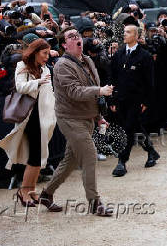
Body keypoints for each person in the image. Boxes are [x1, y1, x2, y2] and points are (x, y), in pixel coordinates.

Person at [39, 26, 114, 216]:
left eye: (77, 35)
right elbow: (75, 92)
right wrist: (99, 90)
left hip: (87, 118)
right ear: (64, 45)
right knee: (90, 155)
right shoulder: (62, 65)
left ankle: (46, 194)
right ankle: (94, 202)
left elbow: (92, 90)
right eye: (71, 37)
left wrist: (99, 117)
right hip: (70, 119)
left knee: (70, 161)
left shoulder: (88, 60)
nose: (77, 38)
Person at [0, 38, 56, 207]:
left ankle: (31, 191)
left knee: (38, 155)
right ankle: (24, 192)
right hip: (28, 116)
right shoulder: (22, 66)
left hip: (43, 116)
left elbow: (49, 93)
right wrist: (38, 82)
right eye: (44, 53)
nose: (47, 56)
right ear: (35, 52)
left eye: (48, 53)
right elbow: (20, 87)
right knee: (36, 156)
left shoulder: (44, 68)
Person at [110, 25, 160, 176]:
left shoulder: (144, 56)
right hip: (120, 99)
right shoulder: (118, 55)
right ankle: (151, 152)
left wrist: (146, 101)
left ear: (137, 36)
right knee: (134, 127)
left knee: (128, 129)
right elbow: (112, 78)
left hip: (136, 100)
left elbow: (149, 82)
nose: (124, 34)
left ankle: (121, 162)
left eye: (128, 32)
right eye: (124, 31)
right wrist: (112, 100)